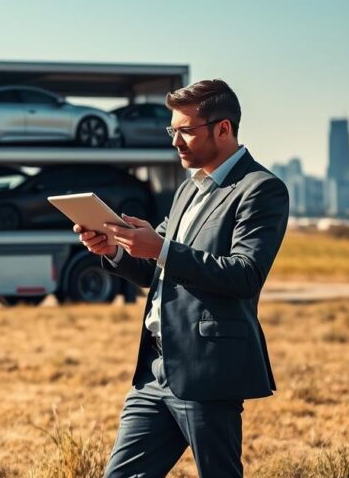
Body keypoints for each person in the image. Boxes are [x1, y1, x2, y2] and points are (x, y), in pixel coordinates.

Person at [74, 79, 290, 478]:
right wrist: (116, 249)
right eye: (172, 130)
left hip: (208, 370)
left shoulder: (261, 190)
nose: (176, 141)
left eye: (185, 130)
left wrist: (158, 247)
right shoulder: (187, 190)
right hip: (153, 371)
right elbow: (160, 267)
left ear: (222, 129)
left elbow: (245, 275)